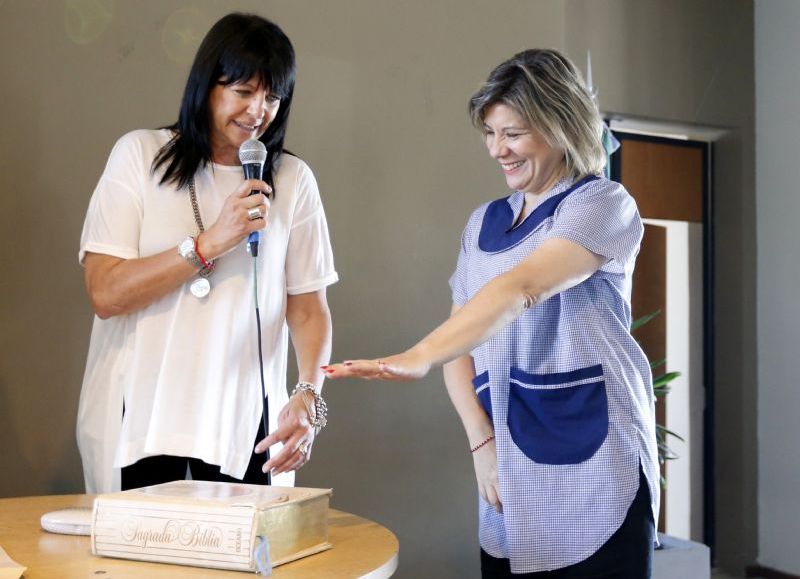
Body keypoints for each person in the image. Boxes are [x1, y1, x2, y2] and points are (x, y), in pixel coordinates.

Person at [325, 48, 658, 578]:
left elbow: (521, 287)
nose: (498, 150)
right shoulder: (482, 223)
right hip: (506, 455)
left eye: (514, 133)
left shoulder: (602, 204)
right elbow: (463, 333)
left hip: (595, 452)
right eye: (490, 133)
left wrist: (419, 356)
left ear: (559, 124)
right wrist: (480, 442)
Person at [77, 12, 337, 493]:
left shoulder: (293, 181)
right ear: (207, 86)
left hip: (246, 421)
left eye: (272, 97)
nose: (258, 110)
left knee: (248, 564)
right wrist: (207, 245)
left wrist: (309, 394)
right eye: (243, 92)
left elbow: (307, 307)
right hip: (139, 415)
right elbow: (105, 293)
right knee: (139, 567)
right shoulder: (139, 156)